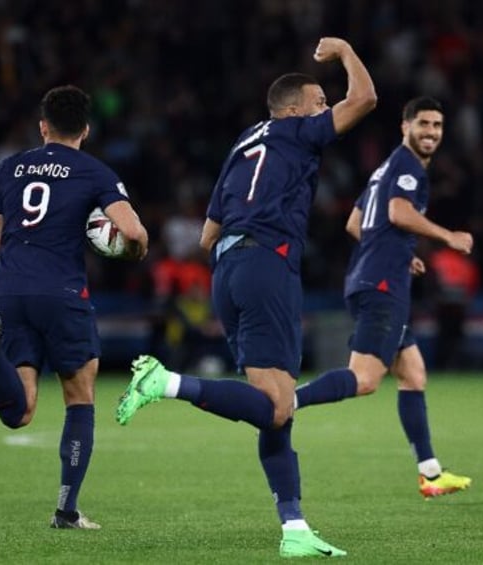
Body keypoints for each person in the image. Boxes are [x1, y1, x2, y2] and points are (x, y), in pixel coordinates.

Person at [116, 37, 376, 558]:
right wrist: (346, 51)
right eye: (319, 102)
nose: (325, 109)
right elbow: (365, 99)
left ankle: (295, 528)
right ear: (297, 109)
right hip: (266, 264)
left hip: (228, 270)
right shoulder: (298, 132)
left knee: (278, 407)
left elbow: (208, 234)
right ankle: (166, 382)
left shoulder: (242, 143)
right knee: (276, 407)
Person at [0, 85, 149, 530]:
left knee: (20, 411)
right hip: (62, 293)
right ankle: (66, 511)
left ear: (42, 126)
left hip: (7, 290)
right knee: (79, 398)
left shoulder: (8, 167)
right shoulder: (93, 171)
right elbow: (133, 231)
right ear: (85, 129)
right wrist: (129, 250)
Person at [293, 96, 474, 498]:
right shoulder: (408, 167)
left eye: (437, 126)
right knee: (365, 380)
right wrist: (448, 237)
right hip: (382, 287)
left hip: (373, 277)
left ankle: (430, 474)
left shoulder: (384, 168)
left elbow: (356, 222)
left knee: (412, 374)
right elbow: (396, 213)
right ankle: (285, 403)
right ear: (404, 126)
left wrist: (397, 252)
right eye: (423, 124)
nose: (430, 132)